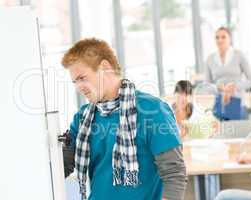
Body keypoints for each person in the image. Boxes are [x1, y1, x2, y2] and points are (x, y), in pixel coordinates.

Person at [61, 38, 187, 200]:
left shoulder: (153, 110)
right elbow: (62, 166)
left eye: (82, 78)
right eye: (74, 81)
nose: (78, 87)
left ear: (105, 67)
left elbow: (174, 173)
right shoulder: (82, 118)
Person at [204, 27, 251, 120]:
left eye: (223, 37)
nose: (220, 40)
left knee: (240, 132)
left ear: (230, 39)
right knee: (222, 133)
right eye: (217, 37)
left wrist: (235, 86)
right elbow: (206, 86)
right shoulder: (210, 59)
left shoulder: (239, 55)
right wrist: (217, 88)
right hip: (220, 106)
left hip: (238, 104)